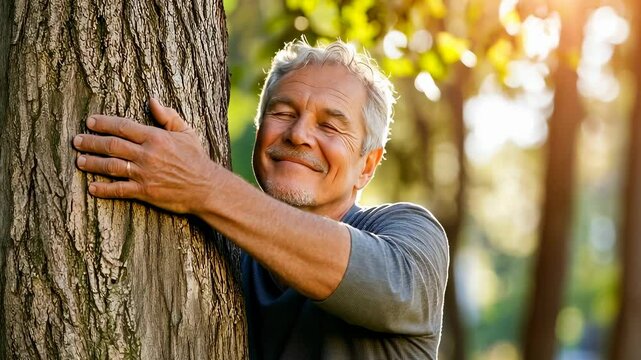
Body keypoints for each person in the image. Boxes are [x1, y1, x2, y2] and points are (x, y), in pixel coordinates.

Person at [73, 39, 449, 359]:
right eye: (282, 113)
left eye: (330, 125)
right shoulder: (224, 246)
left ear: (367, 165)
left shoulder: (412, 235)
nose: (298, 134)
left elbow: (384, 284)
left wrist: (201, 183)